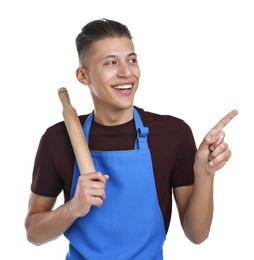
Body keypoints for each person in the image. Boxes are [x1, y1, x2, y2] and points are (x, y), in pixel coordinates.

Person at [25, 18, 238, 259]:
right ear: (83, 76)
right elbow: (34, 232)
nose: (127, 72)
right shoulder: (57, 139)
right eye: (111, 63)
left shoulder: (172, 134)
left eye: (132, 60)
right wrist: (73, 208)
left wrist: (204, 173)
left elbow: (196, 234)